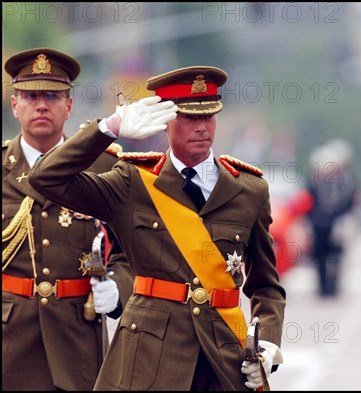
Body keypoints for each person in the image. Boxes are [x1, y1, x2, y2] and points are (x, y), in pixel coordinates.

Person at [29, 65, 286, 391]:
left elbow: (266, 285)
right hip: (148, 360)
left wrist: (267, 342)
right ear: (165, 121)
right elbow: (45, 178)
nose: (202, 127)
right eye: (189, 117)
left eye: (209, 116)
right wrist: (109, 128)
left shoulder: (249, 190)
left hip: (222, 359)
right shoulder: (132, 182)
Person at [2, 47, 132, 390]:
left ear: (69, 105)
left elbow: (132, 252)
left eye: (52, 95)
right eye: (30, 96)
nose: (41, 104)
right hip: (9, 345)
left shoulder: (104, 167)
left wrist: (117, 289)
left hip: (78, 341)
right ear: (14, 105)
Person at [306, 139, 358, 297]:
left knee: (337, 252)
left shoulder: (347, 182)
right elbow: (309, 201)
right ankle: (322, 286)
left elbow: (349, 202)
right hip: (319, 222)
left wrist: (337, 216)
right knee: (318, 254)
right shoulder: (314, 182)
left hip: (338, 220)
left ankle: (334, 285)